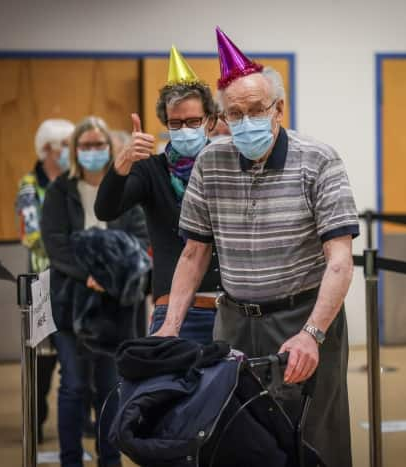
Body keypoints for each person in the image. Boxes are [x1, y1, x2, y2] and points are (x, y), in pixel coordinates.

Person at [154, 28, 360, 467]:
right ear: (222, 118)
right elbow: (194, 253)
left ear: (278, 110)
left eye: (255, 110)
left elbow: (340, 261)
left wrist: (312, 333)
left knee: (313, 440)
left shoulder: (319, 159)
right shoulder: (211, 163)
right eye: (234, 114)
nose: (245, 122)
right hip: (233, 322)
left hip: (302, 319)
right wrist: (170, 325)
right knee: (236, 437)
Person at [94, 46, 221, 344]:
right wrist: (123, 163)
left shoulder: (225, 167)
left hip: (230, 305)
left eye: (193, 122)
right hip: (172, 304)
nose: (185, 129)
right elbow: (106, 209)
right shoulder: (151, 170)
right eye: (175, 124)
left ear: (209, 121)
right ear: (165, 124)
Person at [41, 116, 147, 467]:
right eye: (85, 145)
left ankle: (110, 459)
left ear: (110, 147)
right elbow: (56, 245)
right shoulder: (60, 191)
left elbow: (139, 239)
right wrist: (89, 273)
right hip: (71, 300)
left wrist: (109, 275)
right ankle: (70, 459)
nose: (92, 151)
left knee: (110, 387)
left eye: (98, 144)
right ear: (74, 151)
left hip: (116, 304)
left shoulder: (125, 186)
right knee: (73, 384)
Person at [16, 118, 74, 443]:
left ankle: (79, 419)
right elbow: (31, 235)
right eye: (64, 145)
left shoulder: (72, 181)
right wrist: (65, 242)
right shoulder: (29, 185)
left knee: (76, 355)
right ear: (47, 149)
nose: (69, 151)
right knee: (42, 359)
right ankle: (35, 421)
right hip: (41, 284)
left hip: (72, 280)